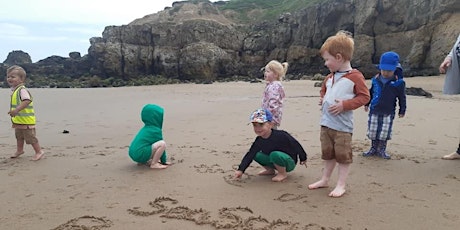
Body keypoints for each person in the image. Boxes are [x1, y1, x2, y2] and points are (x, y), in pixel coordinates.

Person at [307, 31, 370, 197]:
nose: (326, 63)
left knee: (342, 156)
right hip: (326, 124)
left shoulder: (355, 77)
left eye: (327, 59)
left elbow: (365, 97)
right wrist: (323, 99)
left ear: (339, 57)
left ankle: (341, 184)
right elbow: (324, 89)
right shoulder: (329, 77)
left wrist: (345, 105)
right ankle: (325, 179)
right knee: (327, 154)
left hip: (342, 127)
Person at [234, 108, 307, 182]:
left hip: (289, 162)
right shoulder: (259, 140)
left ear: (270, 125)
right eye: (255, 125)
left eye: (261, 125)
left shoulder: (281, 135)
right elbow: (250, 154)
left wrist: (303, 157)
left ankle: (282, 173)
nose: (258, 128)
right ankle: (270, 170)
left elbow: (296, 144)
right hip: (274, 161)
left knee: (274, 154)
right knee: (255, 154)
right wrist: (241, 170)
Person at [362, 51, 407, 159]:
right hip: (375, 109)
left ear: (395, 69)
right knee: (373, 130)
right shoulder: (376, 79)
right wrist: (367, 103)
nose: (386, 73)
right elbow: (371, 92)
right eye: (384, 70)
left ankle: (381, 149)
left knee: (384, 132)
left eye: (389, 70)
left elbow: (402, 97)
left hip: (388, 111)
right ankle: (373, 148)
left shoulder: (398, 83)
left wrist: (402, 110)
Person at [6, 65, 45, 161]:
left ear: (21, 79)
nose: (10, 79)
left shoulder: (22, 90)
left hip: (27, 121)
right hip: (19, 120)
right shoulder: (14, 90)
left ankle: (39, 151)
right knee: (19, 137)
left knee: (31, 138)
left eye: (13, 77)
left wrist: (16, 110)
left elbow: (27, 101)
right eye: (8, 77)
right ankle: (20, 150)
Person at [128, 104, 170, 169]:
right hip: (140, 154)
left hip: (133, 153)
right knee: (162, 144)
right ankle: (154, 164)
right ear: (156, 117)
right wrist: (163, 161)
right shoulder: (155, 130)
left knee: (149, 145)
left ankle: (142, 161)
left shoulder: (146, 128)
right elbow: (162, 148)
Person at [261, 60, 288, 129]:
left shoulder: (274, 86)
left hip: (271, 117)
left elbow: (273, 102)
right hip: (271, 116)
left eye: (268, 71)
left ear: (275, 74)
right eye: (265, 71)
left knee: (270, 134)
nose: (265, 73)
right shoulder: (272, 85)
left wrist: (268, 116)